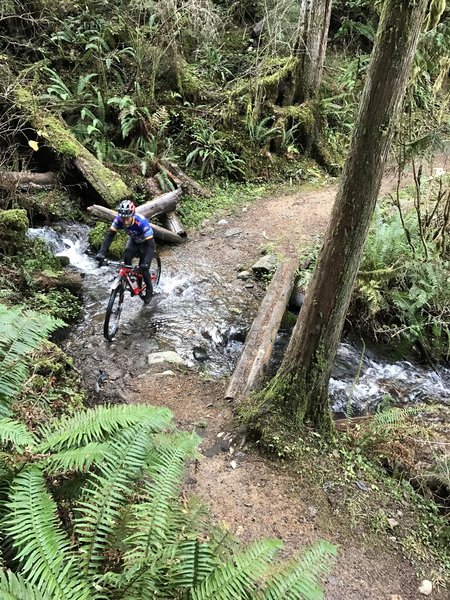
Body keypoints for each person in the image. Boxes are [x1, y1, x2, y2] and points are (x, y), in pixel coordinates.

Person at [95, 199, 155, 304]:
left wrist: (146, 262)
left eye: (127, 219)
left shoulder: (141, 222)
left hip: (146, 242)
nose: (125, 222)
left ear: (132, 215)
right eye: (123, 219)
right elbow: (109, 236)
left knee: (144, 268)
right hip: (133, 240)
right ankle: (131, 283)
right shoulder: (118, 220)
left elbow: (151, 245)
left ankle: (150, 289)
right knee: (126, 258)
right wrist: (101, 253)